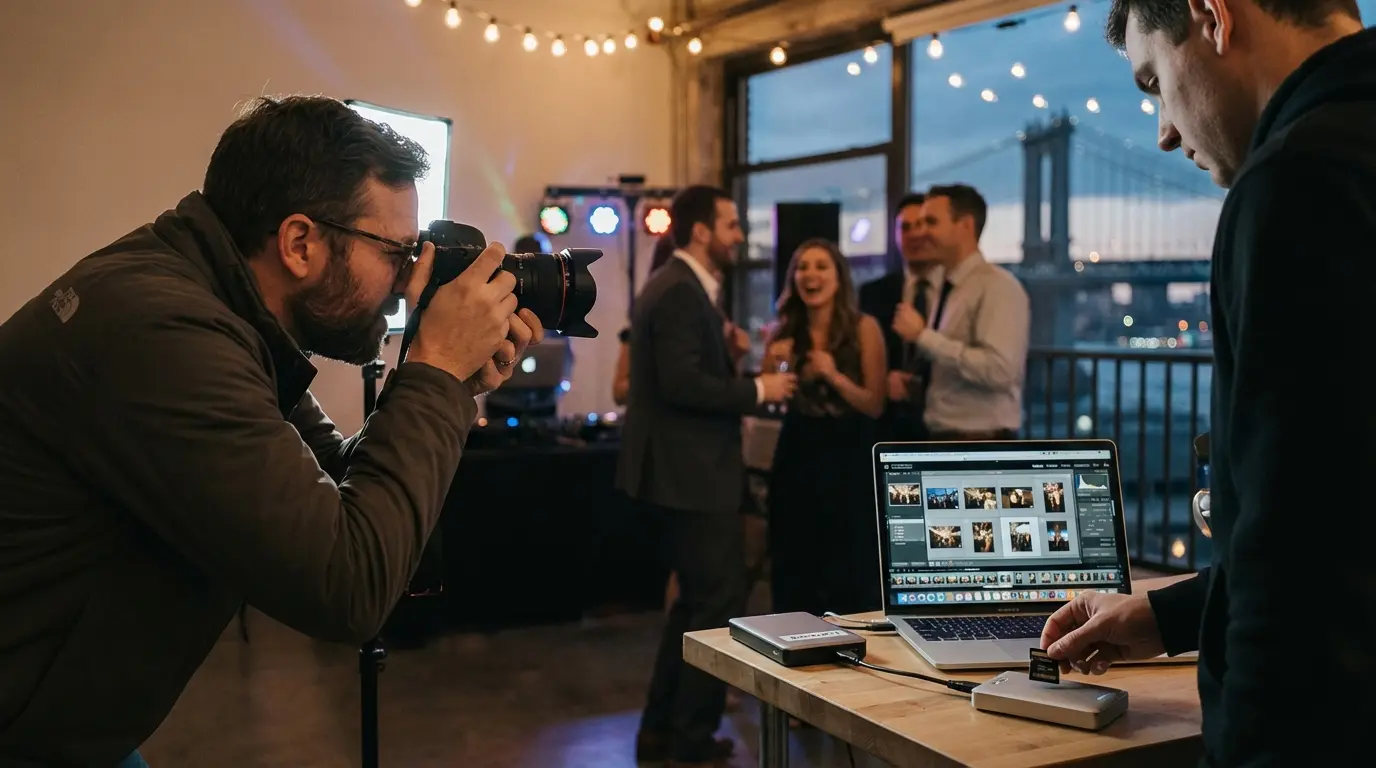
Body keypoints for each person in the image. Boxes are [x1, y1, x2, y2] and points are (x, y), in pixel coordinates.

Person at [0, 95, 543, 766]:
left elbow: (333, 489)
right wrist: (431, 372)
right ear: (299, 243)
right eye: (396, 253)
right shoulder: (166, 335)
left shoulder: (215, 309)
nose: (409, 285)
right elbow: (348, 584)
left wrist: (451, 381)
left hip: (66, 723)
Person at [1039, 2, 1376, 765]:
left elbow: (1300, 564)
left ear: (1211, 17)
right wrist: (1164, 616)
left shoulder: (1297, 179)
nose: (1161, 130)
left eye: (1155, 81)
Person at [617, 185, 795, 767]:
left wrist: (735, 364)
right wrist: (759, 389)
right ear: (700, 232)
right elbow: (682, 385)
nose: (740, 235)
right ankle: (690, 741)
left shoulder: (681, 286)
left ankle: (662, 733)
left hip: (687, 471)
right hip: (690, 475)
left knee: (693, 608)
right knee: (714, 608)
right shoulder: (679, 291)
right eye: (731, 224)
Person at [763, 239, 887, 616]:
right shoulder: (782, 331)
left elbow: (874, 403)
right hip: (798, 448)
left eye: (821, 267)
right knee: (794, 558)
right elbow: (771, 401)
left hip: (848, 452)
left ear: (838, 278)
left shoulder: (864, 328)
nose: (811, 275)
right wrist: (776, 367)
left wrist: (832, 375)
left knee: (846, 562)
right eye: (803, 267)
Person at [891, 185, 1029, 440]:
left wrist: (923, 337)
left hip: (980, 442)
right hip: (947, 437)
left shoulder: (998, 286)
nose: (921, 233)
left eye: (931, 222)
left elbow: (1000, 371)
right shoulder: (949, 287)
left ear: (965, 226)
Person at [858, 192, 938, 440]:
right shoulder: (873, 293)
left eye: (922, 225)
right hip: (887, 428)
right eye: (905, 227)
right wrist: (884, 379)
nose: (914, 234)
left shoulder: (959, 292)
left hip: (944, 425)